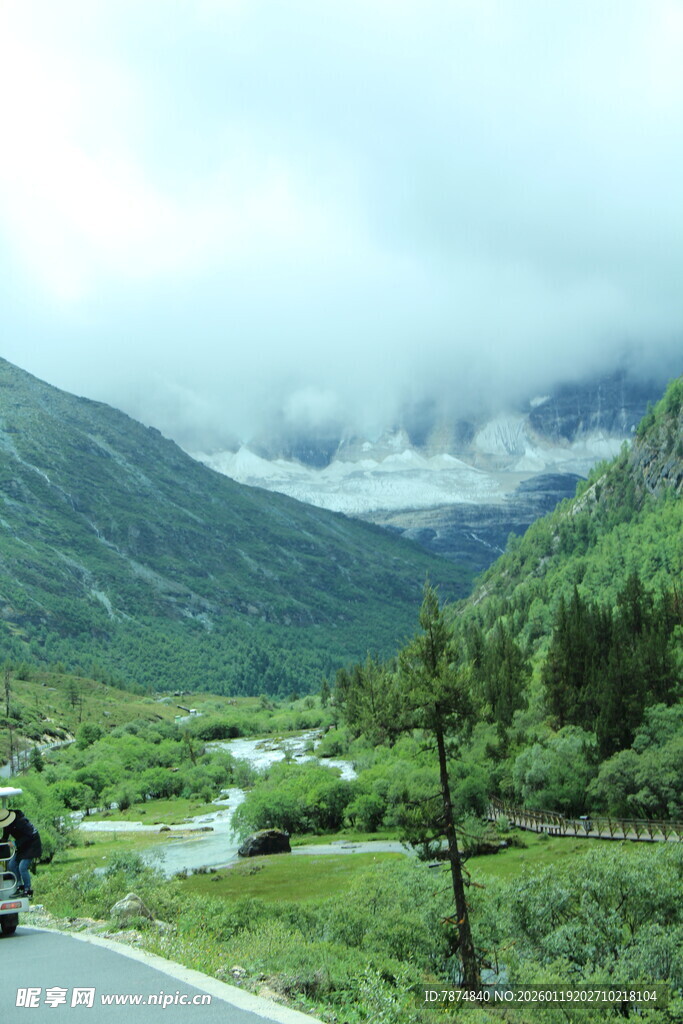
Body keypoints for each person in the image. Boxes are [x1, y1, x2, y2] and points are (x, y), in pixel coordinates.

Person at [0, 808, 42, 898]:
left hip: (32, 845)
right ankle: (20, 887)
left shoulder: (21, 821)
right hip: (22, 846)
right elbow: (5, 837)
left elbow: (30, 835)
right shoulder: (7, 825)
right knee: (11, 865)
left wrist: (15, 843)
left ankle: (28, 890)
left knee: (22, 867)